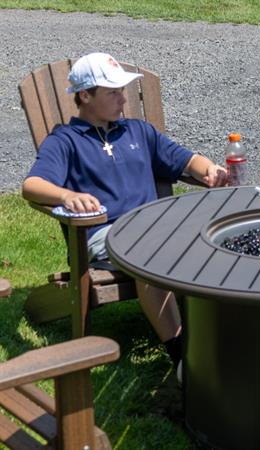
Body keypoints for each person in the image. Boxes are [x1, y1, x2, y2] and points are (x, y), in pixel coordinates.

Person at [21, 52, 227, 368]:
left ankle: (220, 340)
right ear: (84, 95)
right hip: (106, 233)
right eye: (113, 92)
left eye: (123, 90)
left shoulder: (138, 131)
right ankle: (183, 360)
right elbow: (32, 185)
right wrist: (66, 195)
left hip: (156, 229)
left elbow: (187, 160)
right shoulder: (65, 141)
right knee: (148, 253)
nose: (123, 99)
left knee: (212, 239)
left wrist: (208, 169)